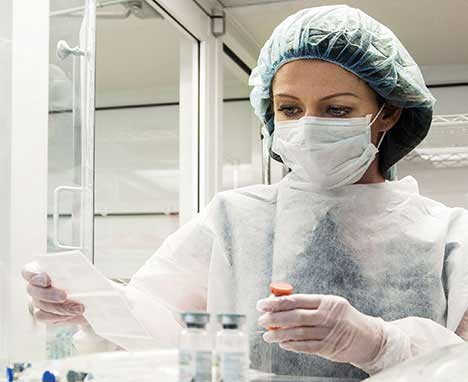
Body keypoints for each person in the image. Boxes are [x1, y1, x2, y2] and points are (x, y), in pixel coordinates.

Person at [22, 4, 468, 379]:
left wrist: (378, 343)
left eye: (336, 109)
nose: (307, 126)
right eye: (289, 109)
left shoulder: (446, 233)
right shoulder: (235, 218)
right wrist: (90, 304)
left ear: (386, 114)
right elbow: (157, 316)